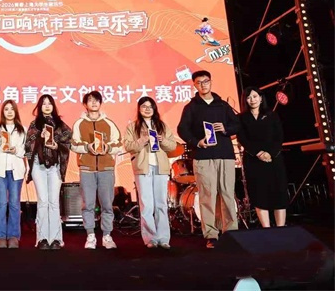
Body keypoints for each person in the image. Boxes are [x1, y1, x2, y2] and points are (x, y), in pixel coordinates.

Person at [177, 70, 240, 249]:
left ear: (211, 82)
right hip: (203, 157)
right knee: (207, 196)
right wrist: (197, 142)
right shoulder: (191, 107)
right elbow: (182, 129)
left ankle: (231, 232)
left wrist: (226, 128)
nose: (203, 85)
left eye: (206, 81)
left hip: (225, 155)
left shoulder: (223, 105)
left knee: (227, 195)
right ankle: (211, 235)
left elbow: (237, 125)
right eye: (199, 82)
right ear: (194, 85)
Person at [70, 91, 123, 250]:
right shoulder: (79, 124)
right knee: (88, 204)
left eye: (96, 100)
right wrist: (87, 147)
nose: (93, 103)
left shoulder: (109, 123)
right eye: (90, 100)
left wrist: (107, 148)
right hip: (87, 169)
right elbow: (73, 144)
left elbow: (119, 144)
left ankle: (107, 235)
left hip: (106, 168)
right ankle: (90, 236)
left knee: (107, 204)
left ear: (100, 103)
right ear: (85, 104)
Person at [123, 97, 178, 249]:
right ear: (139, 109)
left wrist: (162, 140)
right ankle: (150, 238)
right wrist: (142, 140)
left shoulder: (162, 126)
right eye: (144, 106)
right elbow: (128, 146)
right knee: (146, 204)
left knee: (161, 203)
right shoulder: (133, 127)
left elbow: (172, 146)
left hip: (160, 167)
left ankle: (164, 238)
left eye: (150, 106)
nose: (147, 109)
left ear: (154, 109)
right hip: (143, 167)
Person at [24, 94, 72, 250]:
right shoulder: (34, 124)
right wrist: (40, 137)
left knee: (54, 201)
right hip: (38, 165)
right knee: (43, 201)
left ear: (53, 106)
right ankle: (42, 238)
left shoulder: (60, 125)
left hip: (55, 166)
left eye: (49, 103)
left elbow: (68, 141)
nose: (46, 106)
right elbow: (28, 145)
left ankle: (56, 239)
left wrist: (56, 145)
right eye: (43, 103)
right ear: (39, 107)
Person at [237, 87, 288, 227]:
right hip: (253, 160)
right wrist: (258, 153)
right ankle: (266, 229)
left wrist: (270, 153)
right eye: (248, 97)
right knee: (259, 194)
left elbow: (279, 137)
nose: (252, 100)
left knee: (278, 194)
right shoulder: (241, 118)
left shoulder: (272, 115)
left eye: (255, 96)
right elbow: (242, 138)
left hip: (274, 159)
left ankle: (281, 228)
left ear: (261, 98)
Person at [0, 100, 27, 249]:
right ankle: (1, 236)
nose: (9, 112)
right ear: (2, 112)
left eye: (12, 109)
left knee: (14, 203)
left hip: (16, 169)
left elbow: (27, 150)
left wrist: (16, 150)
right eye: (6, 109)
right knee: (1, 203)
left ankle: (14, 236)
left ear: (16, 111)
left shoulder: (22, 129)